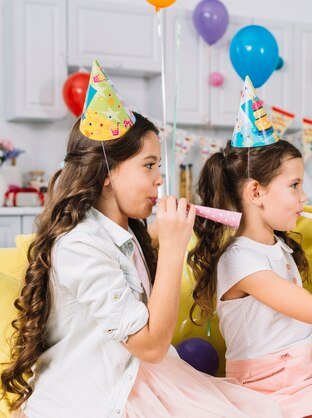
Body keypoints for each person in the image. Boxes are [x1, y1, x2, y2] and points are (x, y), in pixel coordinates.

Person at [0, 61, 280, 418]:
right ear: (106, 173)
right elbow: (150, 346)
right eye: (148, 166)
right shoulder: (78, 246)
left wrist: (157, 235)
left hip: (134, 377)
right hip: (96, 396)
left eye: (158, 167)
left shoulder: (127, 233)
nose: (159, 180)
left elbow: (121, 266)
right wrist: (175, 248)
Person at [188, 76, 312, 418]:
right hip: (258, 390)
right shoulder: (239, 260)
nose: (305, 197)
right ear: (256, 193)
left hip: (305, 380)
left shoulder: (278, 247)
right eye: (295, 185)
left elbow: (284, 314)